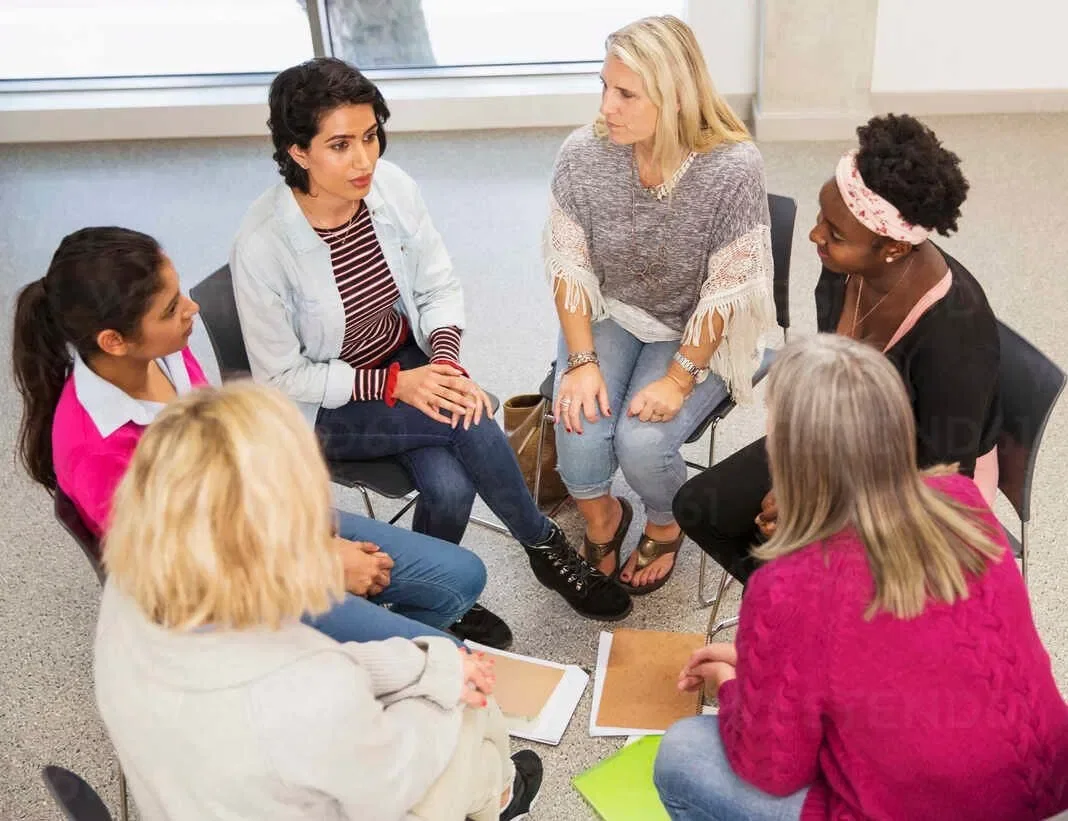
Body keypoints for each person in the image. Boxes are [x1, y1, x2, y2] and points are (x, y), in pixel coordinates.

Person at [231, 57, 632, 625]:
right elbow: (280, 377)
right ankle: (544, 547)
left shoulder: (389, 189)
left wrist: (440, 362)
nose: (365, 159)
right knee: (464, 417)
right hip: (325, 404)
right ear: (297, 151)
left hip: (402, 361)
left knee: (448, 486)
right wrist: (401, 383)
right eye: (340, 145)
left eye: (371, 137)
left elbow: (437, 284)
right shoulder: (263, 245)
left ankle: (430, 604)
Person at [12, 226, 490, 647]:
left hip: (260, 521)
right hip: (224, 587)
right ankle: (346, 664)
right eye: (172, 307)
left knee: (463, 577)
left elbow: (229, 466)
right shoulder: (93, 450)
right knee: (445, 657)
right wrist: (315, 567)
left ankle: (355, 653)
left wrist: (310, 532)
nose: (192, 308)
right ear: (113, 340)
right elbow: (180, 576)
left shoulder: (164, 354)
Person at [654, 334, 1068, 821]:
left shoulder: (788, 586)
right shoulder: (964, 501)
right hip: (1044, 789)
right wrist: (764, 669)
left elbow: (772, 769)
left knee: (684, 752)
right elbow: (892, 660)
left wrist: (732, 686)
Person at [94, 382, 544, 821]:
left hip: (190, 798)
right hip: (352, 785)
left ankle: (498, 792)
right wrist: (444, 681)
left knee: (452, 676)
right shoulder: (303, 688)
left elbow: (323, 676)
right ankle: (501, 796)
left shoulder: (129, 590)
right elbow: (393, 772)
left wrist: (429, 665)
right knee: (467, 719)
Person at [674, 113, 1000, 583]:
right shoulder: (846, 268)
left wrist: (820, 509)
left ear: (891, 248)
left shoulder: (954, 333)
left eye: (835, 233)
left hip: (919, 486)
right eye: (821, 218)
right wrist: (801, 485)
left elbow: (940, 475)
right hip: (843, 437)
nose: (815, 236)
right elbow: (833, 385)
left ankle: (812, 612)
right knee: (699, 507)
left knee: (805, 562)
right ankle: (792, 609)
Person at [544, 15, 775, 594]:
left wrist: (679, 378)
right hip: (614, 309)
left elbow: (726, 290)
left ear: (674, 98)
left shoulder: (733, 168)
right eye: (604, 87)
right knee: (577, 423)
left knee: (642, 443)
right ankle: (604, 518)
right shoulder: (583, 153)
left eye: (625, 94)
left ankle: (666, 521)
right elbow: (568, 263)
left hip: (696, 326)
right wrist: (581, 362)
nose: (606, 108)